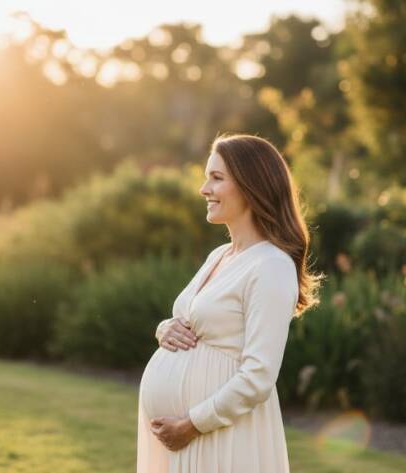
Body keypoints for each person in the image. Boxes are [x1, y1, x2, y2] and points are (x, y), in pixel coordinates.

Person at [136, 132, 326, 472]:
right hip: (185, 438)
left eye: (216, 178)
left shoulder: (271, 265)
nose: (203, 189)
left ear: (252, 186)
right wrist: (164, 329)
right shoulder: (221, 255)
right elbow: (192, 317)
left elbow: (259, 376)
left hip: (220, 437)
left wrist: (191, 425)